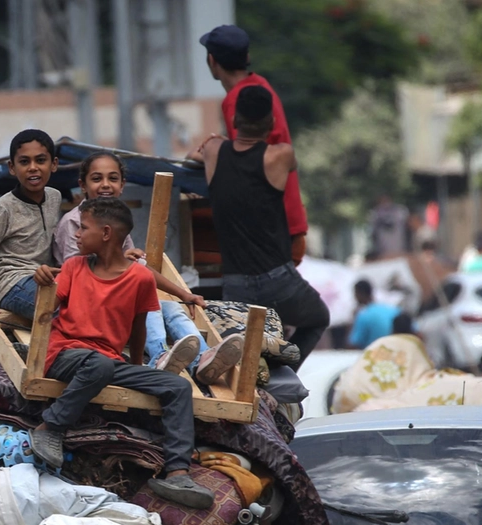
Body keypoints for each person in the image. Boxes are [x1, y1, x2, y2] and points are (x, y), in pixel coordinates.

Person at [28, 198, 213, 509]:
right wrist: (43, 279)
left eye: (83, 228)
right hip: (65, 354)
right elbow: (46, 309)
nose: (77, 235)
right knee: (99, 365)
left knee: (177, 386)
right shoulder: (73, 267)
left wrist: (139, 370)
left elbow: (138, 328)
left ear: (105, 233)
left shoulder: (140, 278)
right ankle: (50, 427)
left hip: (108, 363)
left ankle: (178, 472)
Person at [48, 151, 241, 384]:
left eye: (113, 178)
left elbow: (137, 267)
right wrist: (125, 261)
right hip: (87, 307)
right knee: (146, 301)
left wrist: (184, 294)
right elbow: (79, 268)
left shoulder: (116, 219)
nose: (105, 185)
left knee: (172, 308)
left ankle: (203, 357)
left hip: (111, 299)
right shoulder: (75, 222)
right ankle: (159, 356)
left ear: (122, 185)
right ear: (83, 185)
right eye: (97, 179)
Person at [196, 86, 330, 367]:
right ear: (270, 122)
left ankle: (261, 381)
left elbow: (192, 155)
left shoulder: (212, 150)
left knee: (244, 356)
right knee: (319, 318)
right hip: (279, 281)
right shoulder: (279, 156)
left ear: (233, 121)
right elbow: (284, 154)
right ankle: (284, 370)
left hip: (235, 284)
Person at [199, 24, 309, 263]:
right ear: (247, 57)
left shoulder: (240, 100)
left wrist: (206, 154)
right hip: (287, 222)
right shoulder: (259, 86)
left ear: (211, 60)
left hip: (275, 230)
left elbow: (245, 160)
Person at [0, 129, 62, 327]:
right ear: (12, 167)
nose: (33, 168)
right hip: (13, 284)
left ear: (54, 164)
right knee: (61, 313)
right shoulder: (3, 208)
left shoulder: (54, 197)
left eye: (40, 160)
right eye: (24, 162)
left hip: (45, 279)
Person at [348, 280, 400, 349]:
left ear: (358, 294)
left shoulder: (363, 316)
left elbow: (353, 345)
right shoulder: (393, 309)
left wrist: (353, 321)